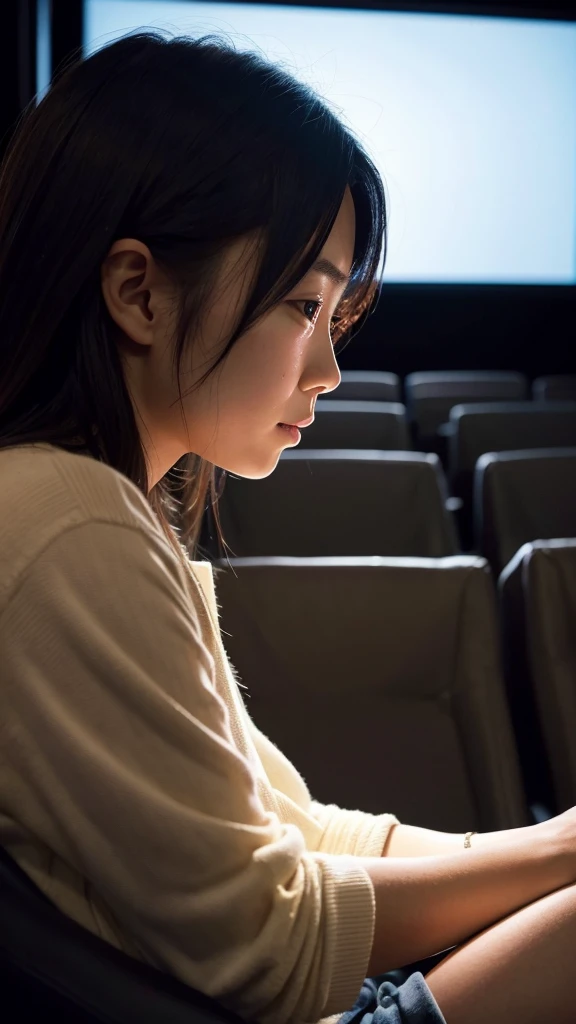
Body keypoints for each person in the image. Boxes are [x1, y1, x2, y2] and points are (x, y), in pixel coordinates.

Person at [0, 29, 575, 1024]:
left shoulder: (93, 512)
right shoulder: (67, 520)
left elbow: (295, 831)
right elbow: (277, 944)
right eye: (304, 306)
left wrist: (554, 846)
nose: (328, 372)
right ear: (137, 291)